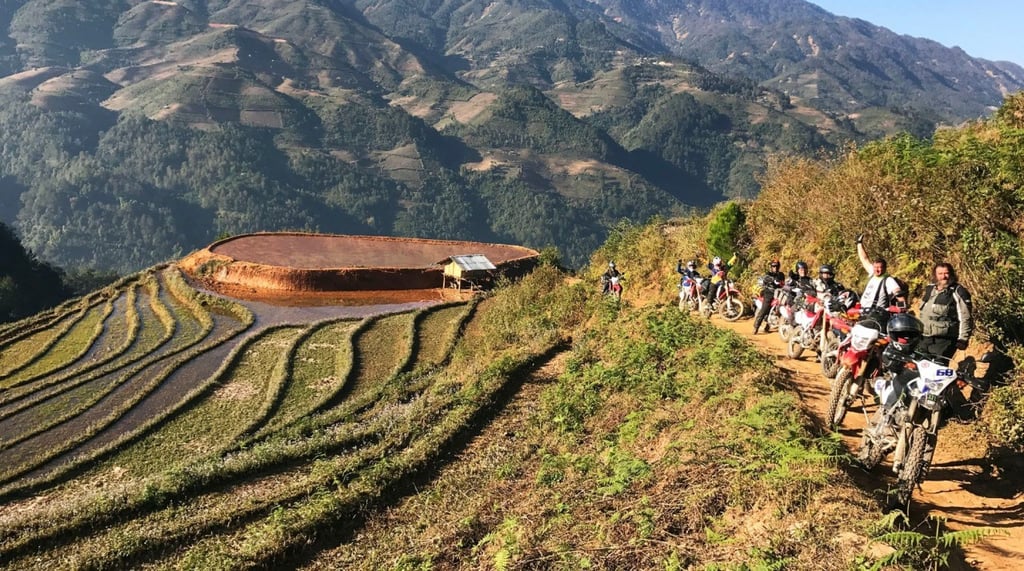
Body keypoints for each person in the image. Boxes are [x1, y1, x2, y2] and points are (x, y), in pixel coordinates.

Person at [918, 262, 973, 360]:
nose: (944, 277)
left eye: (946, 273)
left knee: (937, 369)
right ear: (935, 275)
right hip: (924, 337)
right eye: (940, 274)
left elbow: (965, 317)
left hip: (944, 340)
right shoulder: (929, 289)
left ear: (951, 274)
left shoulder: (958, 291)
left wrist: (963, 339)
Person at [855, 234, 906, 326]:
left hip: (877, 316)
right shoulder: (872, 273)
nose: (877, 270)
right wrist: (859, 243)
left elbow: (899, 295)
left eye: (880, 268)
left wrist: (902, 309)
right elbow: (864, 259)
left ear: (885, 268)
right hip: (863, 312)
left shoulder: (888, 280)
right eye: (875, 267)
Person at [752, 260, 785, 334]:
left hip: (779, 293)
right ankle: (756, 326)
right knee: (764, 309)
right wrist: (773, 280)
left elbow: (783, 282)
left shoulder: (781, 274)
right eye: (773, 266)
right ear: (771, 267)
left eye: (776, 266)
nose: (775, 268)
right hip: (769, 292)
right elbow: (765, 279)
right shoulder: (768, 274)